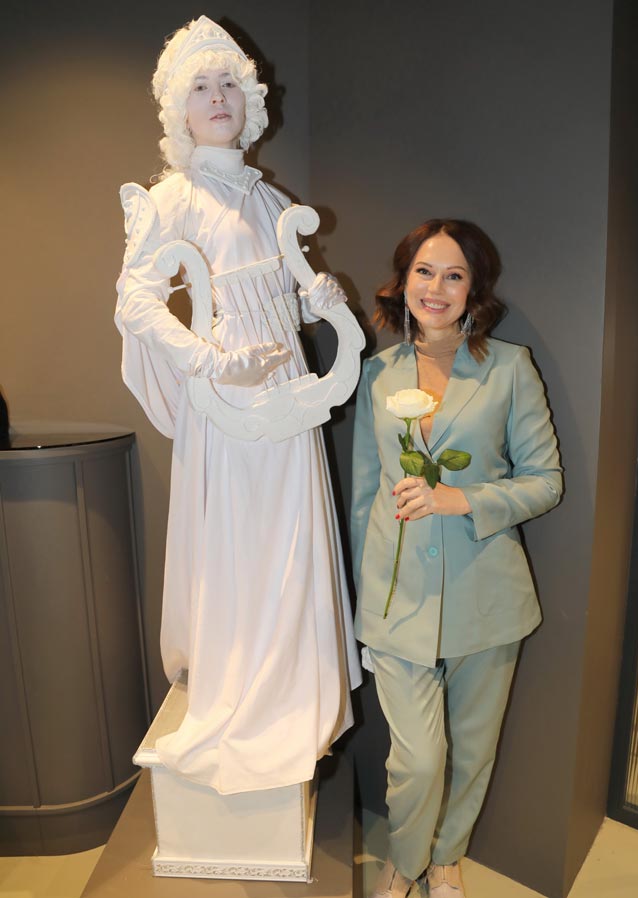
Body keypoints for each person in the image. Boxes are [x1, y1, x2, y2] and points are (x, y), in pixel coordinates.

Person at [115, 15, 361, 795]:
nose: (217, 96)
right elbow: (134, 302)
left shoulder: (269, 199)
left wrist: (321, 298)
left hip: (288, 396)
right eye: (200, 85)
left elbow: (291, 291)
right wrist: (212, 361)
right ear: (178, 110)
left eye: (228, 82)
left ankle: (288, 694)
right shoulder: (170, 199)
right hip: (228, 404)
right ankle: (239, 698)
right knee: (238, 543)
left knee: (289, 541)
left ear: (248, 99)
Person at [351, 219, 562, 897]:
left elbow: (545, 482)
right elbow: (365, 495)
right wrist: (360, 600)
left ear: (475, 288)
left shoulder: (509, 367)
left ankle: (445, 859)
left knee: (472, 750)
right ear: (403, 280)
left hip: (486, 594)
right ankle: (405, 859)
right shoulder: (377, 375)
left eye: (454, 275)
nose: (436, 288)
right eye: (424, 271)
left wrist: (460, 500)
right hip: (397, 596)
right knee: (417, 760)